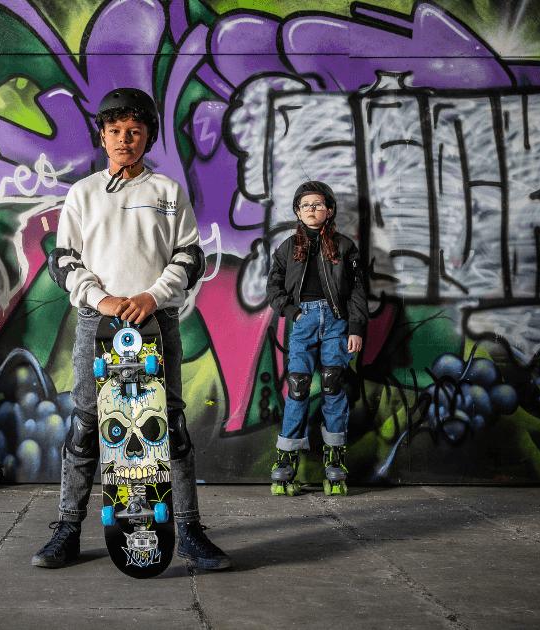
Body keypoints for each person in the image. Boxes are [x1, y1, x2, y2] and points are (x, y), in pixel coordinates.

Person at [33, 87, 231, 570]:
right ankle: (67, 529)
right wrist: (103, 298)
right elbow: (62, 261)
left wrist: (151, 296)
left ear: (147, 138)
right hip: (97, 320)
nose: (125, 139)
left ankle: (188, 531)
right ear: (102, 136)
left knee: (169, 425)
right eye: (116, 130)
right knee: (87, 424)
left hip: (155, 320)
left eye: (135, 131)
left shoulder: (167, 193)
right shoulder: (82, 194)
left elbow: (190, 255)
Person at [265, 181, 367, 496]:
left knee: (333, 384)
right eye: (305, 205)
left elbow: (359, 290)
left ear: (329, 210)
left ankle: (335, 458)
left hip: (336, 321)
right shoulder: (286, 248)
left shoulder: (346, 246)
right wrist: (294, 312)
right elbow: (274, 289)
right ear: (297, 211)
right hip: (304, 320)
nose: (312, 209)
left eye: (318, 204)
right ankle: (286, 460)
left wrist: (356, 328)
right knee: (297, 385)